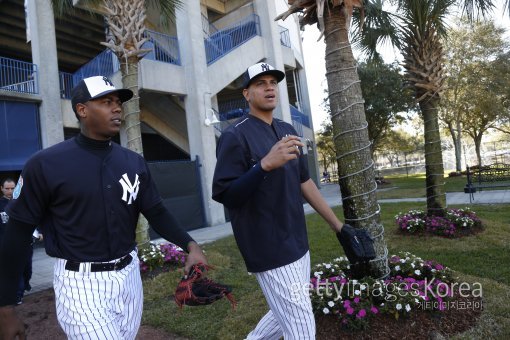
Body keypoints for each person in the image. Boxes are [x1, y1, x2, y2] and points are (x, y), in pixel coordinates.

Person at [0, 75, 207, 340]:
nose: (117, 107)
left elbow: (156, 211)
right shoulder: (44, 164)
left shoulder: (133, 162)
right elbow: (17, 235)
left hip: (130, 277)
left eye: (118, 102)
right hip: (81, 283)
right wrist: (5, 308)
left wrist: (191, 245)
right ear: (82, 110)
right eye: (106, 101)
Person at [212, 63, 360, 339]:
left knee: (288, 312)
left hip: (297, 241)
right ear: (246, 93)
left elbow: (305, 182)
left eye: (273, 82)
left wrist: (339, 227)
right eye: (260, 83)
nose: (269, 87)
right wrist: (264, 165)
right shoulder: (235, 135)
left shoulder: (285, 128)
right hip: (267, 246)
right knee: (302, 325)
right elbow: (226, 195)